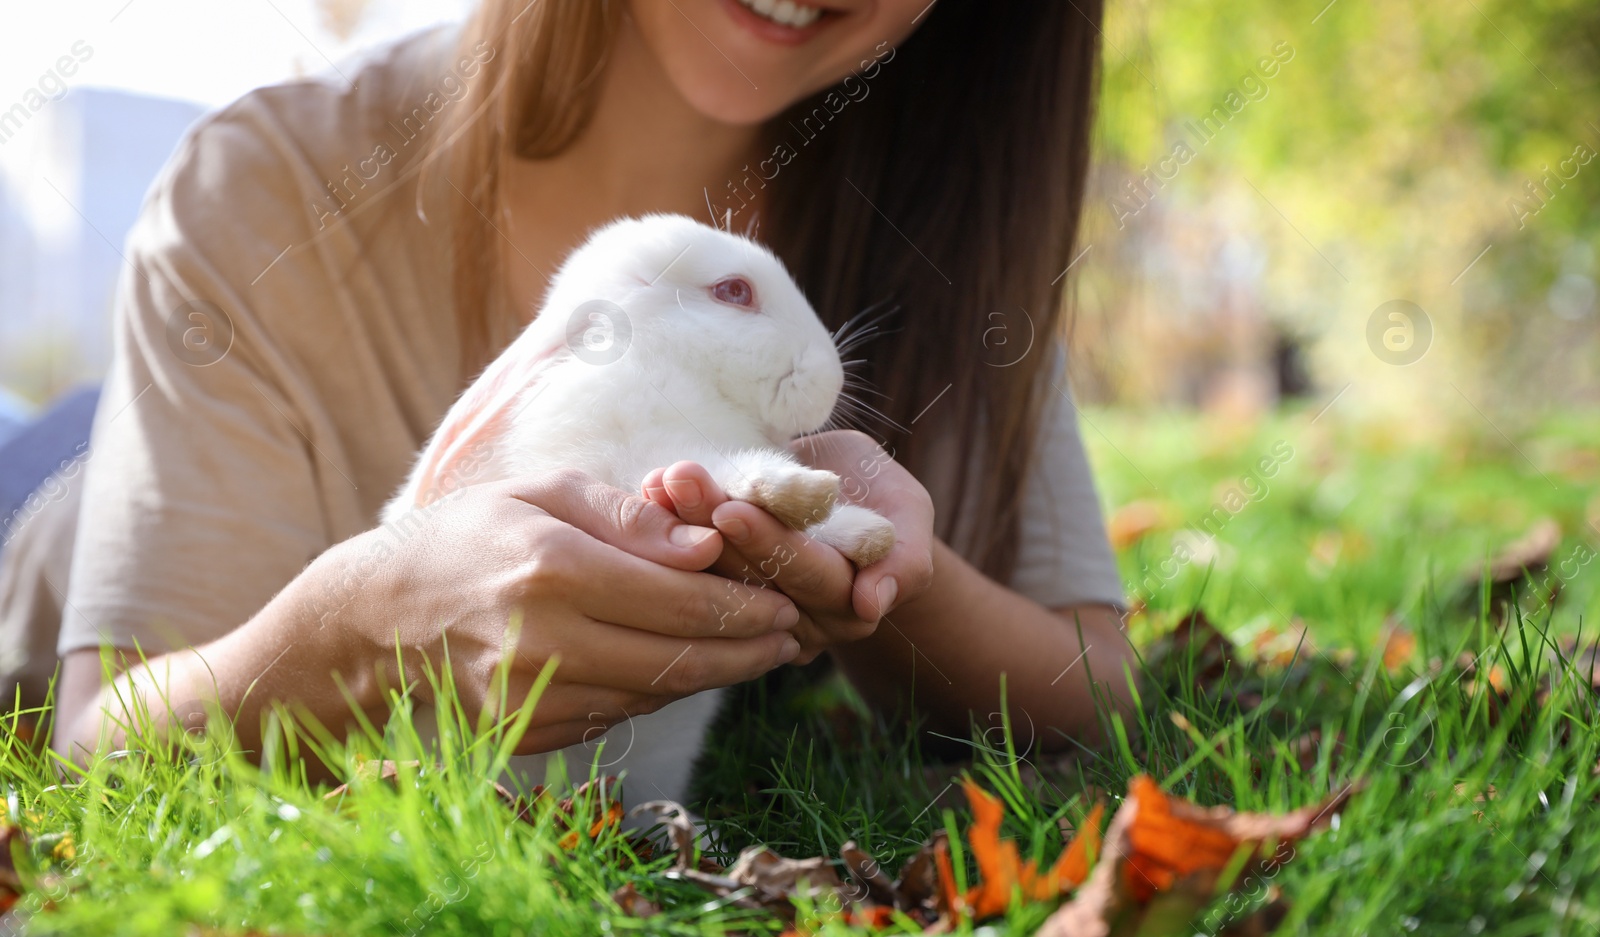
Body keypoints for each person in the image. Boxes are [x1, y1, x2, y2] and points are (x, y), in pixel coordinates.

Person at [0, 0, 1133, 797]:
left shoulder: (951, 232)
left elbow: (1093, 679)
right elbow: (101, 752)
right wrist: (359, 625)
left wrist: (890, 584)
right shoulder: (262, 189)